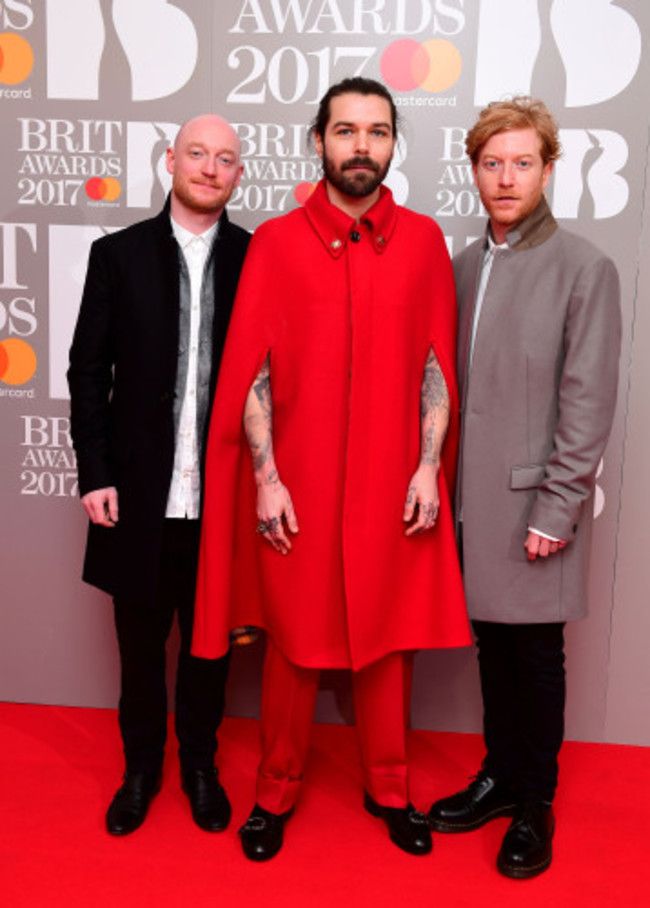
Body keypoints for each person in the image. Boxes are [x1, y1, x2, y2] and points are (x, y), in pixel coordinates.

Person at [192, 77, 471, 862]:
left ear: (393, 144)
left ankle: (390, 787)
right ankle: (274, 791)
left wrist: (427, 468)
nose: (361, 146)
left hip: (394, 483)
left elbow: (436, 366)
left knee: (388, 645)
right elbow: (253, 369)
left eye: (377, 132)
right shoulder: (277, 243)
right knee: (294, 645)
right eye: (345, 131)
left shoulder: (422, 242)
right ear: (319, 141)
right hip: (300, 485)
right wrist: (268, 476)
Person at [427, 97, 621, 879]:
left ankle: (534, 801)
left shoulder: (584, 267)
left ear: (549, 168)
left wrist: (559, 505)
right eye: (491, 162)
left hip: (535, 508)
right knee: (492, 652)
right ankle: (499, 776)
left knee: (536, 657)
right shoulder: (464, 264)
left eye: (522, 162)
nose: (505, 178)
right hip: (469, 508)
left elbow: (588, 399)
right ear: (474, 169)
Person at [67, 114, 250, 836]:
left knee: (210, 650)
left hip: (223, 500)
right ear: (171, 159)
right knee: (139, 652)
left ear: (239, 173)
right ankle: (141, 769)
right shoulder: (117, 256)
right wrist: (95, 471)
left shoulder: (257, 257)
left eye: (225, 159)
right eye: (198, 153)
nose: (209, 168)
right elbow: (88, 371)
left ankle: (200, 766)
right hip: (137, 495)